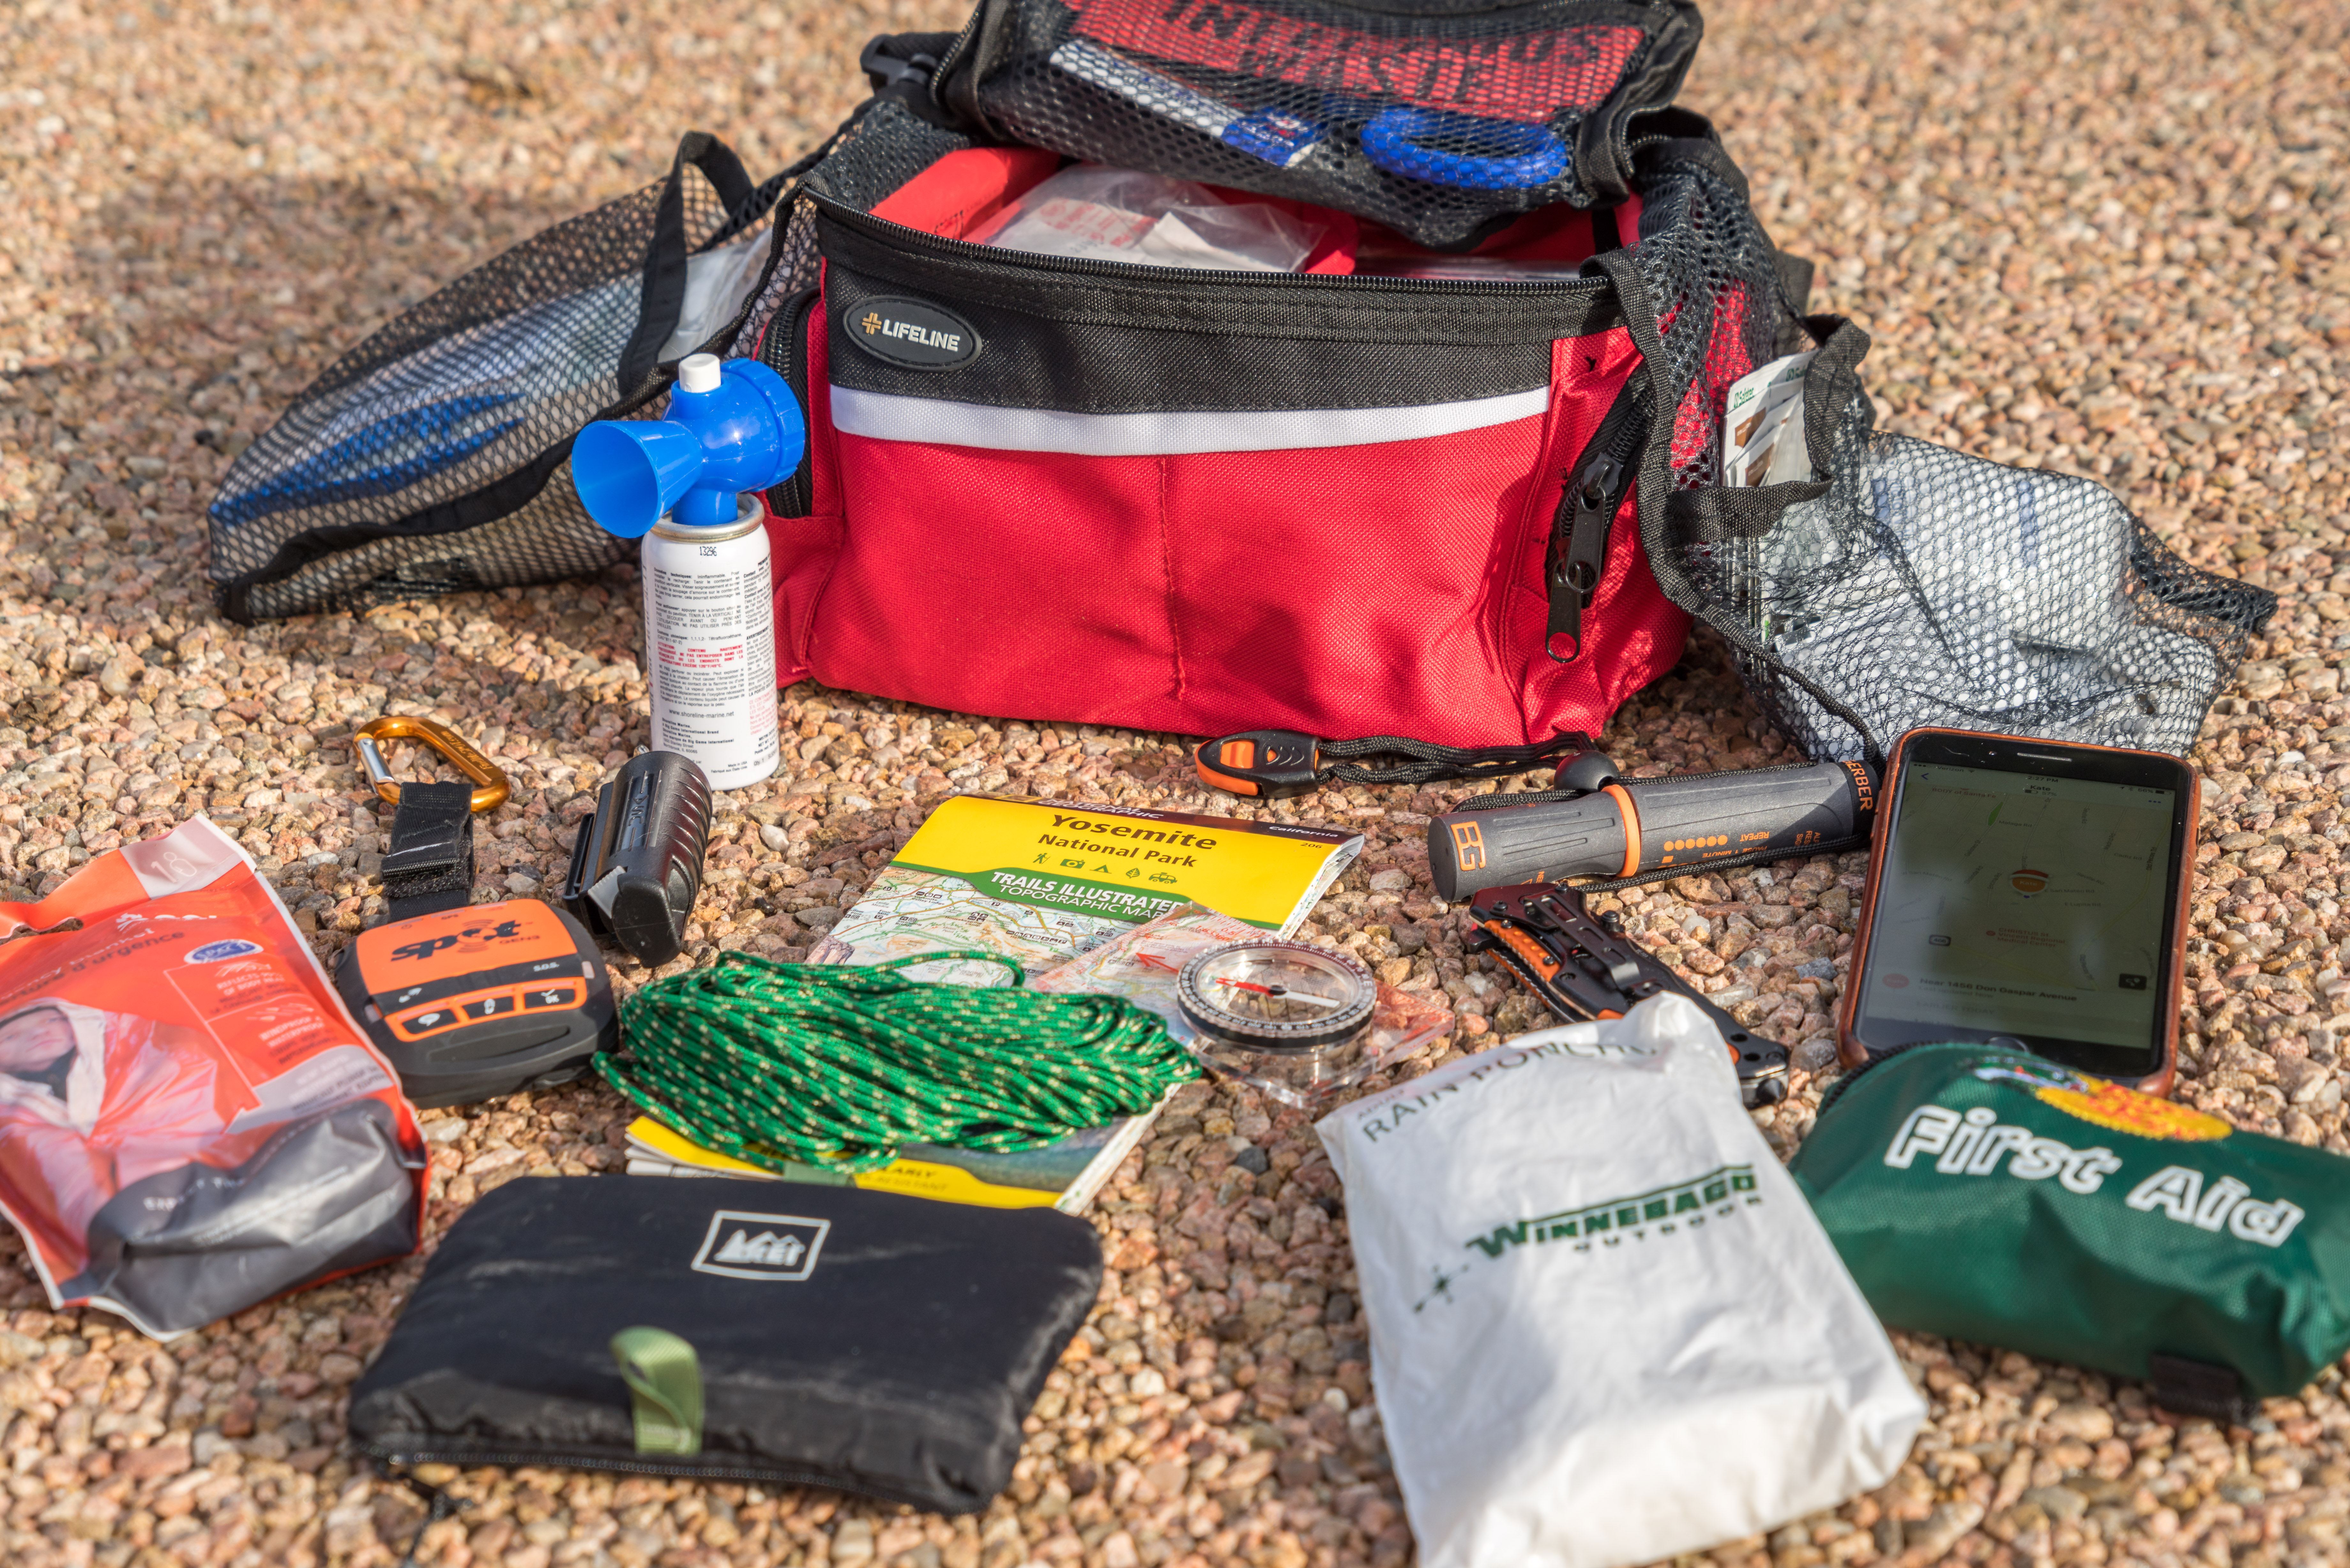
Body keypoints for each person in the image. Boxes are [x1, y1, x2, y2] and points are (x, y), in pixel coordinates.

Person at [0, 999, 261, 1285]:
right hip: (139, 1209)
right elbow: (60, 1172)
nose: (39, 1033)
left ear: (78, 1021)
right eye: (9, 1037)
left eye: (52, 1021)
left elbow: (192, 1084)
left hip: (203, 1164)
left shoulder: (136, 1043)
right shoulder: (16, 1116)